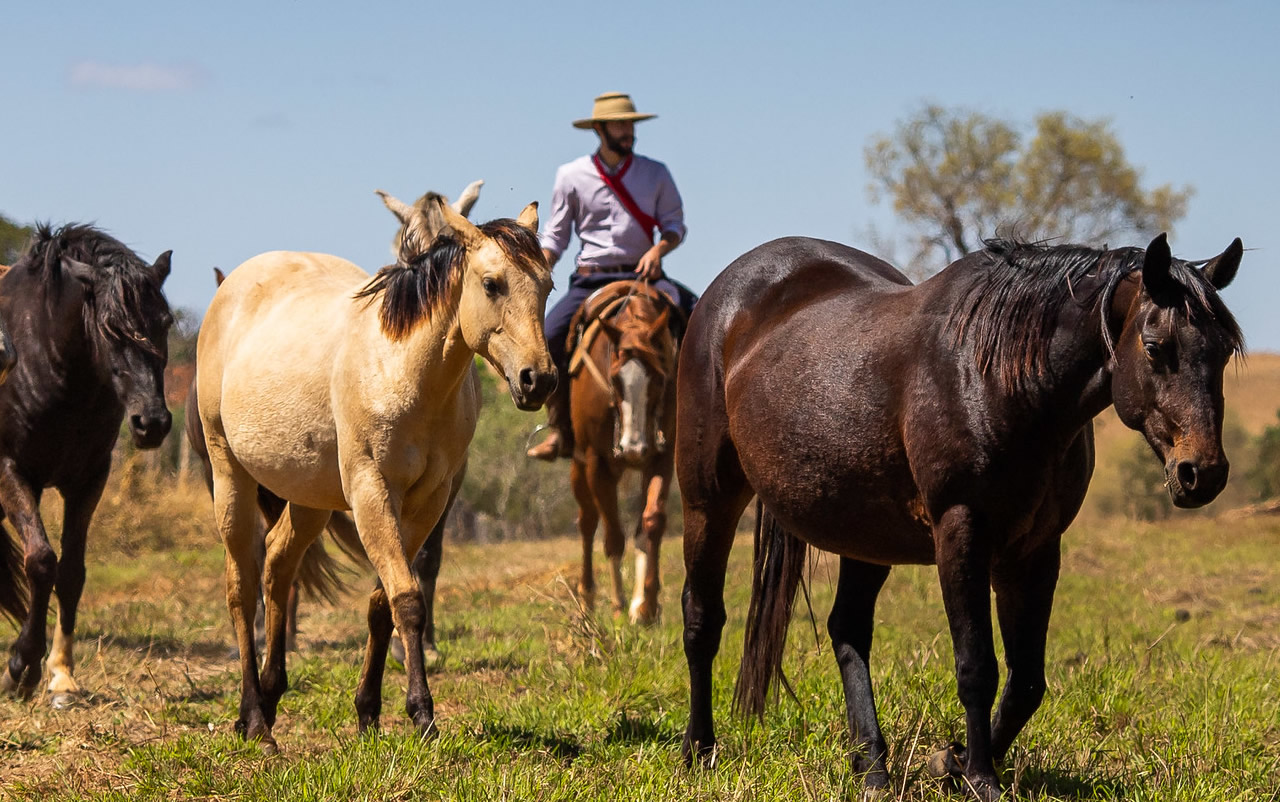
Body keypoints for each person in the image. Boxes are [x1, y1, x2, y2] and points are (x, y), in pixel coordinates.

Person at [527, 92, 698, 461]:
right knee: (549, 338)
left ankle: (698, 425)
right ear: (600, 129)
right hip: (591, 279)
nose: (628, 131)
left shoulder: (656, 173)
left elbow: (674, 226)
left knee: (701, 321)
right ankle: (560, 429)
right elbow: (556, 237)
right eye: (620, 124)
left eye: (631, 123)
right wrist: (537, 272)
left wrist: (657, 251)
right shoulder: (571, 175)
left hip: (646, 275)